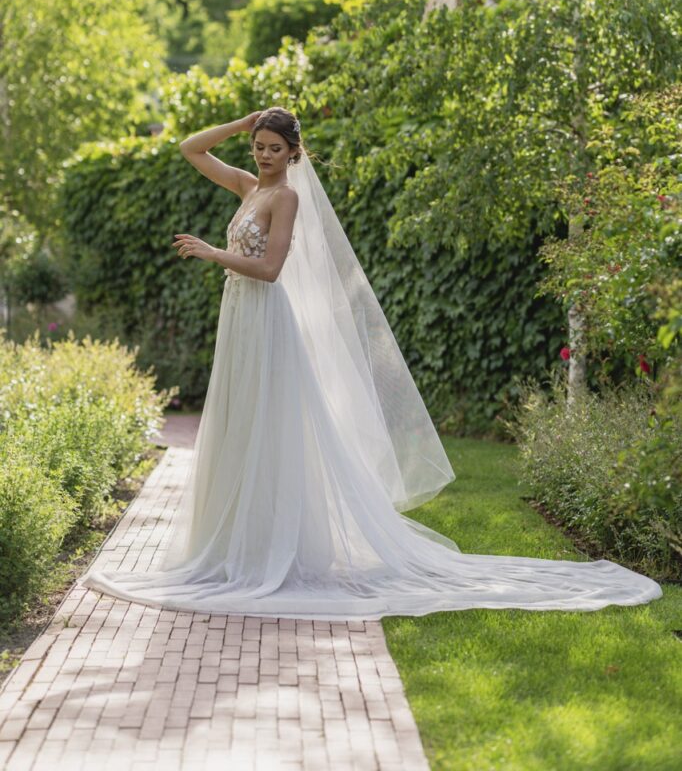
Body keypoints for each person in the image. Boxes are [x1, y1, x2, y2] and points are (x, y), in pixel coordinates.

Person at [78, 107, 663, 619]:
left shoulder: (286, 197)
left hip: (263, 314)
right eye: (258, 147)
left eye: (274, 149)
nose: (263, 156)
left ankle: (277, 547)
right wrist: (247, 120)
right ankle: (236, 543)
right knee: (237, 423)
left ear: (294, 153)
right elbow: (190, 148)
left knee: (271, 425)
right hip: (238, 319)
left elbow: (272, 268)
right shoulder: (247, 188)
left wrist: (214, 253)